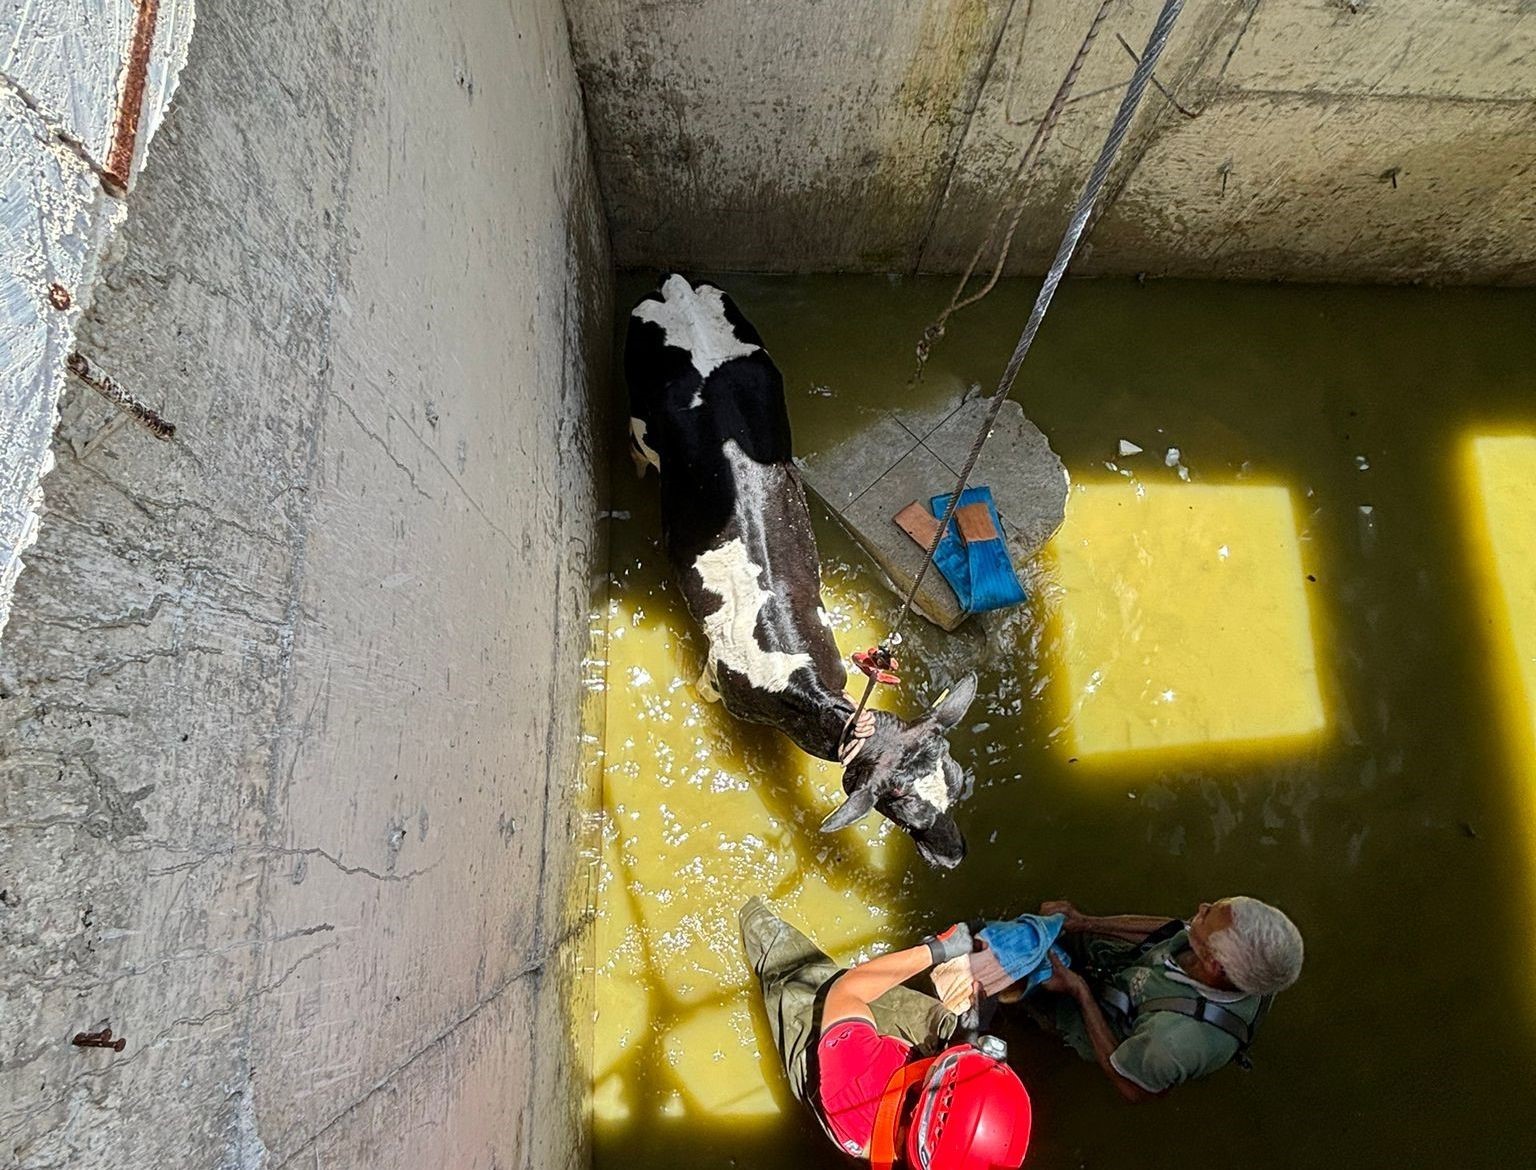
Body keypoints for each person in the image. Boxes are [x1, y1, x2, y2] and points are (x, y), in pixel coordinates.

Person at [740, 896, 1033, 1169]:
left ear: (918, 1099)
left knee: (794, 969)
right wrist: (965, 1046)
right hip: (901, 1112)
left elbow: (848, 990)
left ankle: (743, 910)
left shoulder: (853, 1091)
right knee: (951, 1025)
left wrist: (934, 950)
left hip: (835, 1059)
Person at [1019, 897, 1303, 1103]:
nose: (1201, 907)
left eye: (1207, 916)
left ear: (1212, 963)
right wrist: (1086, 923)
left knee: (1020, 1007)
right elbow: (1174, 931)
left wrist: (1080, 992)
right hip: (1132, 971)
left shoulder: (1172, 1043)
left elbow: (1132, 1087)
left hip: (1119, 1024)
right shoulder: (1255, 967)